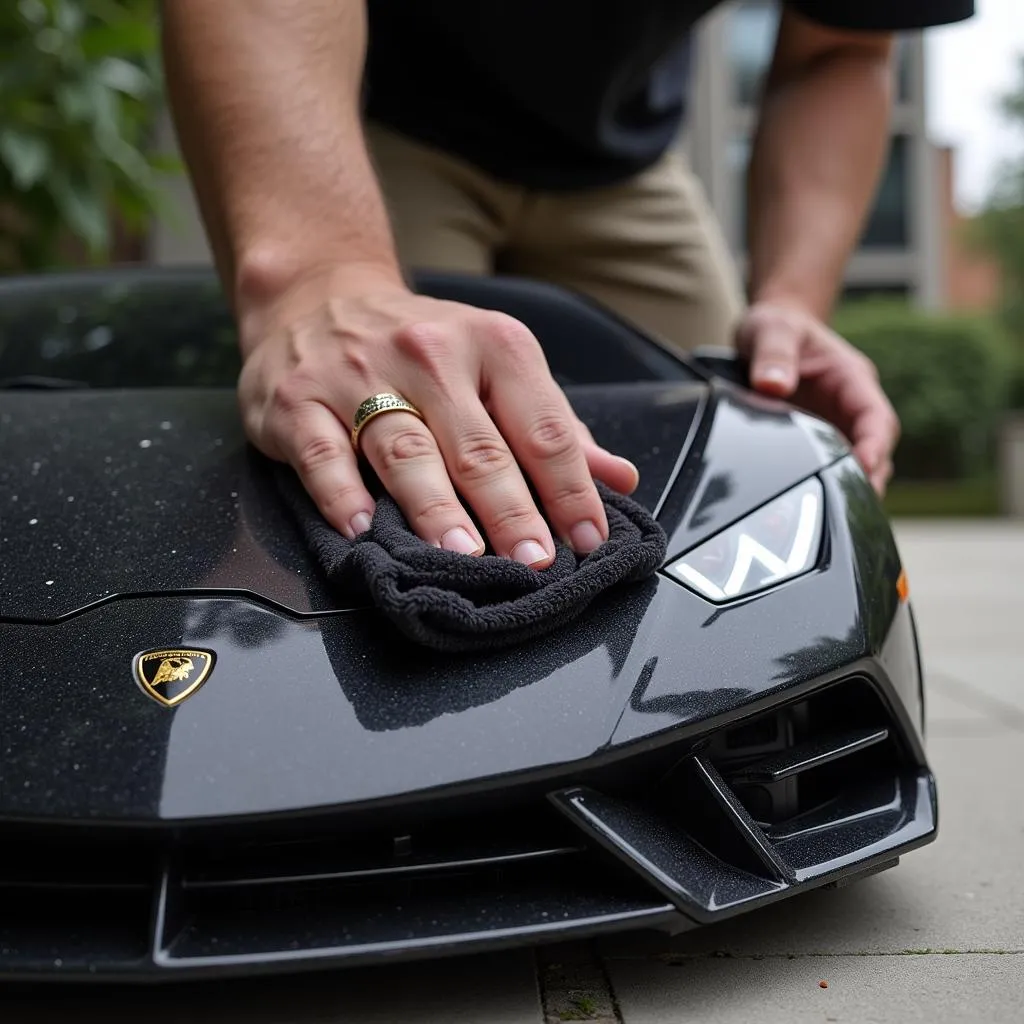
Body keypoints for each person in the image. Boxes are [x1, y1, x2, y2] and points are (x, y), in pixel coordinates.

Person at [159, 0, 973, 570]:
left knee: (717, 495)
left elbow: (844, 48)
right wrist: (319, 275)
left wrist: (792, 302)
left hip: (626, 167)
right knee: (361, 471)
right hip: (376, 122)